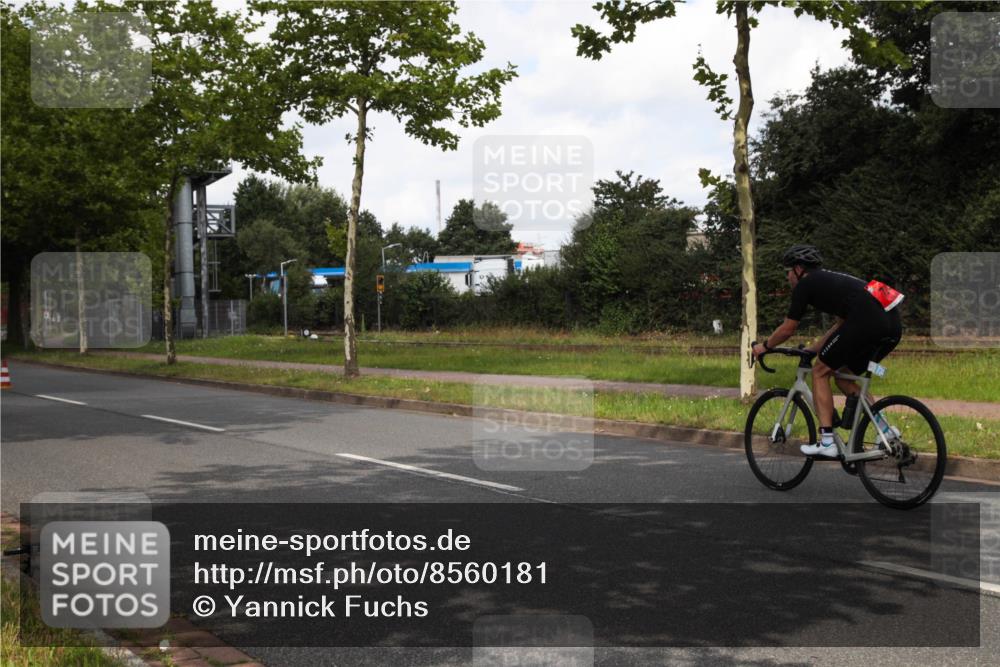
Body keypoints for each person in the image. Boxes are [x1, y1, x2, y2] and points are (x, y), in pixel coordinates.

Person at [751, 245, 902, 457]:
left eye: (787, 271)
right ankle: (886, 432)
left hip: (867, 322)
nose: (787, 277)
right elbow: (841, 326)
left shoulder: (806, 285)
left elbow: (788, 328)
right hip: (893, 324)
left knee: (819, 372)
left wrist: (764, 347)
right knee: (844, 376)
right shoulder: (835, 280)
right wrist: (813, 349)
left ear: (799, 269)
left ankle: (827, 441)